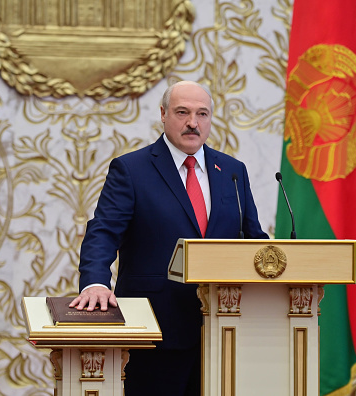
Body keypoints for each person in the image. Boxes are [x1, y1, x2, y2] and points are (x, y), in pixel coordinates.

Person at [70, 81, 269, 395]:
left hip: (225, 330)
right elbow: (104, 231)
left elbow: (253, 238)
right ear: (163, 114)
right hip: (155, 327)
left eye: (202, 114)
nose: (193, 122)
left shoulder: (232, 171)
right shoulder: (132, 169)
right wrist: (95, 282)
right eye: (182, 112)